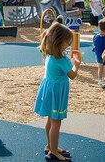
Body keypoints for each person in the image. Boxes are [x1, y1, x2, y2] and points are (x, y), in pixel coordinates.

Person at [34, 22, 80, 161]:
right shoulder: (61, 58)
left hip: (49, 90)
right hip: (57, 92)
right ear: (59, 42)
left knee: (50, 119)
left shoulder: (49, 54)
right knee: (56, 122)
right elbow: (72, 75)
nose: (68, 45)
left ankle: (50, 146)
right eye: (67, 43)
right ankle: (53, 151)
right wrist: (76, 65)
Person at [93, 19, 105, 86]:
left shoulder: (96, 37)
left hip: (98, 55)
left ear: (99, 27)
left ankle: (99, 80)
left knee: (100, 67)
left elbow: (94, 44)